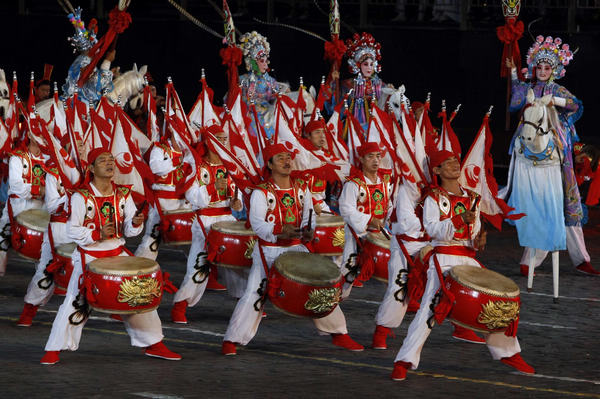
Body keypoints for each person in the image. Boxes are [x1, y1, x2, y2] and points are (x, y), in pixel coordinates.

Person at [391, 150, 534, 381]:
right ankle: (404, 360)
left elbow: (474, 230)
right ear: (437, 171)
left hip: (467, 257)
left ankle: (508, 352)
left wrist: (478, 238)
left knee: (492, 302)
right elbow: (432, 228)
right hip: (444, 256)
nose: (454, 165)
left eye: (455, 161)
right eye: (446, 163)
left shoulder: (472, 196)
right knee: (429, 308)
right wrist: (458, 220)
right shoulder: (432, 197)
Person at [40, 148, 181, 365]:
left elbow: (131, 230)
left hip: (117, 252)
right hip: (89, 255)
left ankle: (154, 344)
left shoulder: (123, 194)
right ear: (91, 168)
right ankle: (54, 349)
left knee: (137, 297)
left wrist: (135, 223)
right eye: (103, 160)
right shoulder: (80, 196)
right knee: (75, 302)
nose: (109, 163)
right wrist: (96, 234)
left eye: (111, 160)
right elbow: (72, 230)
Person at [221, 143, 363, 355]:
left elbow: (308, 218)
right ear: (269, 164)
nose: (287, 162)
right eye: (280, 158)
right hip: (268, 250)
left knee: (319, 288)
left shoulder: (300, 188)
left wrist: (308, 232)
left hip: (296, 248)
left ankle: (339, 333)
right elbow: (258, 224)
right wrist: (279, 230)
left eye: (288, 157)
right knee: (254, 294)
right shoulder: (261, 192)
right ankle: (232, 340)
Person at [506, 35, 598, 276]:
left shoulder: (557, 89)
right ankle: (529, 260)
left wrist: (554, 100)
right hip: (529, 149)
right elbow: (515, 101)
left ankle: (581, 258)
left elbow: (575, 105)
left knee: (565, 202)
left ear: (554, 70)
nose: (543, 71)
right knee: (538, 205)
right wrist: (515, 73)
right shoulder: (529, 88)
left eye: (548, 68)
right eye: (539, 67)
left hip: (557, 152)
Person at [170, 125, 244, 324]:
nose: (223, 142)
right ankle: (180, 305)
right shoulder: (197, 166)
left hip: (227, 219)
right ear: (209, 142)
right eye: (219, 138)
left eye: (224, 138)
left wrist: (237, 202)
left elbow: (237, 193)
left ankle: (245, 302)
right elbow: (192, 197)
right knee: (199, 264)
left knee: (236, 263)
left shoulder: (230, 165)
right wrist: (212, 187)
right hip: (205, 220)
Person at [17, 165, 78, 326]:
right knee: (46, 271)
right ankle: (29, 309)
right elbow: (52, 207)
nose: (79, 146)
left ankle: (117, 307)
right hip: (60, 228)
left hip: (89, 230)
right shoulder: (54, 173)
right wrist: (73, 196)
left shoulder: (90, 171)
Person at [338, 142, 392, 293]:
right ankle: (334, 300)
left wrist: (391, 217)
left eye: (378, 156)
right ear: (361, 159)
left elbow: (389, 205)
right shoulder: (353, 184)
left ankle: (399, 300)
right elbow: (346, 209)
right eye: (370, 156)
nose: (375, 160)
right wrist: (369, 220)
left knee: (393, 269)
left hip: (379, 233)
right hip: (357, 234)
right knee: (347, 272)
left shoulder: (385, 181)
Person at [0, 131, 49, 276]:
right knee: (3, 236)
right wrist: (39, 189)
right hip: (17, 206)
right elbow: (16, 186)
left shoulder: (49, 159)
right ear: (29, 135)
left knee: (41, 245)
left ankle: (42, 277)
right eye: (37, 133)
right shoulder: (18, 157)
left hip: (40, 210)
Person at [238, 31, 289, 139]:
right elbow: (241, 101)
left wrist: (283, 95)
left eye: (266, 61)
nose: (265, 64)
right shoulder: (244, 80)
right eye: (262, 61)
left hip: (269, 115)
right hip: (251, 117)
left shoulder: (271, 81)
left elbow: (276, 98)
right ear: (252, 62)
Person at [60, 8, 114, 107]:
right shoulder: (83, 62)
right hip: (79, 104)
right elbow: (96, 84)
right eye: (94, 47)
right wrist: (107, 62)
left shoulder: (85, 62)